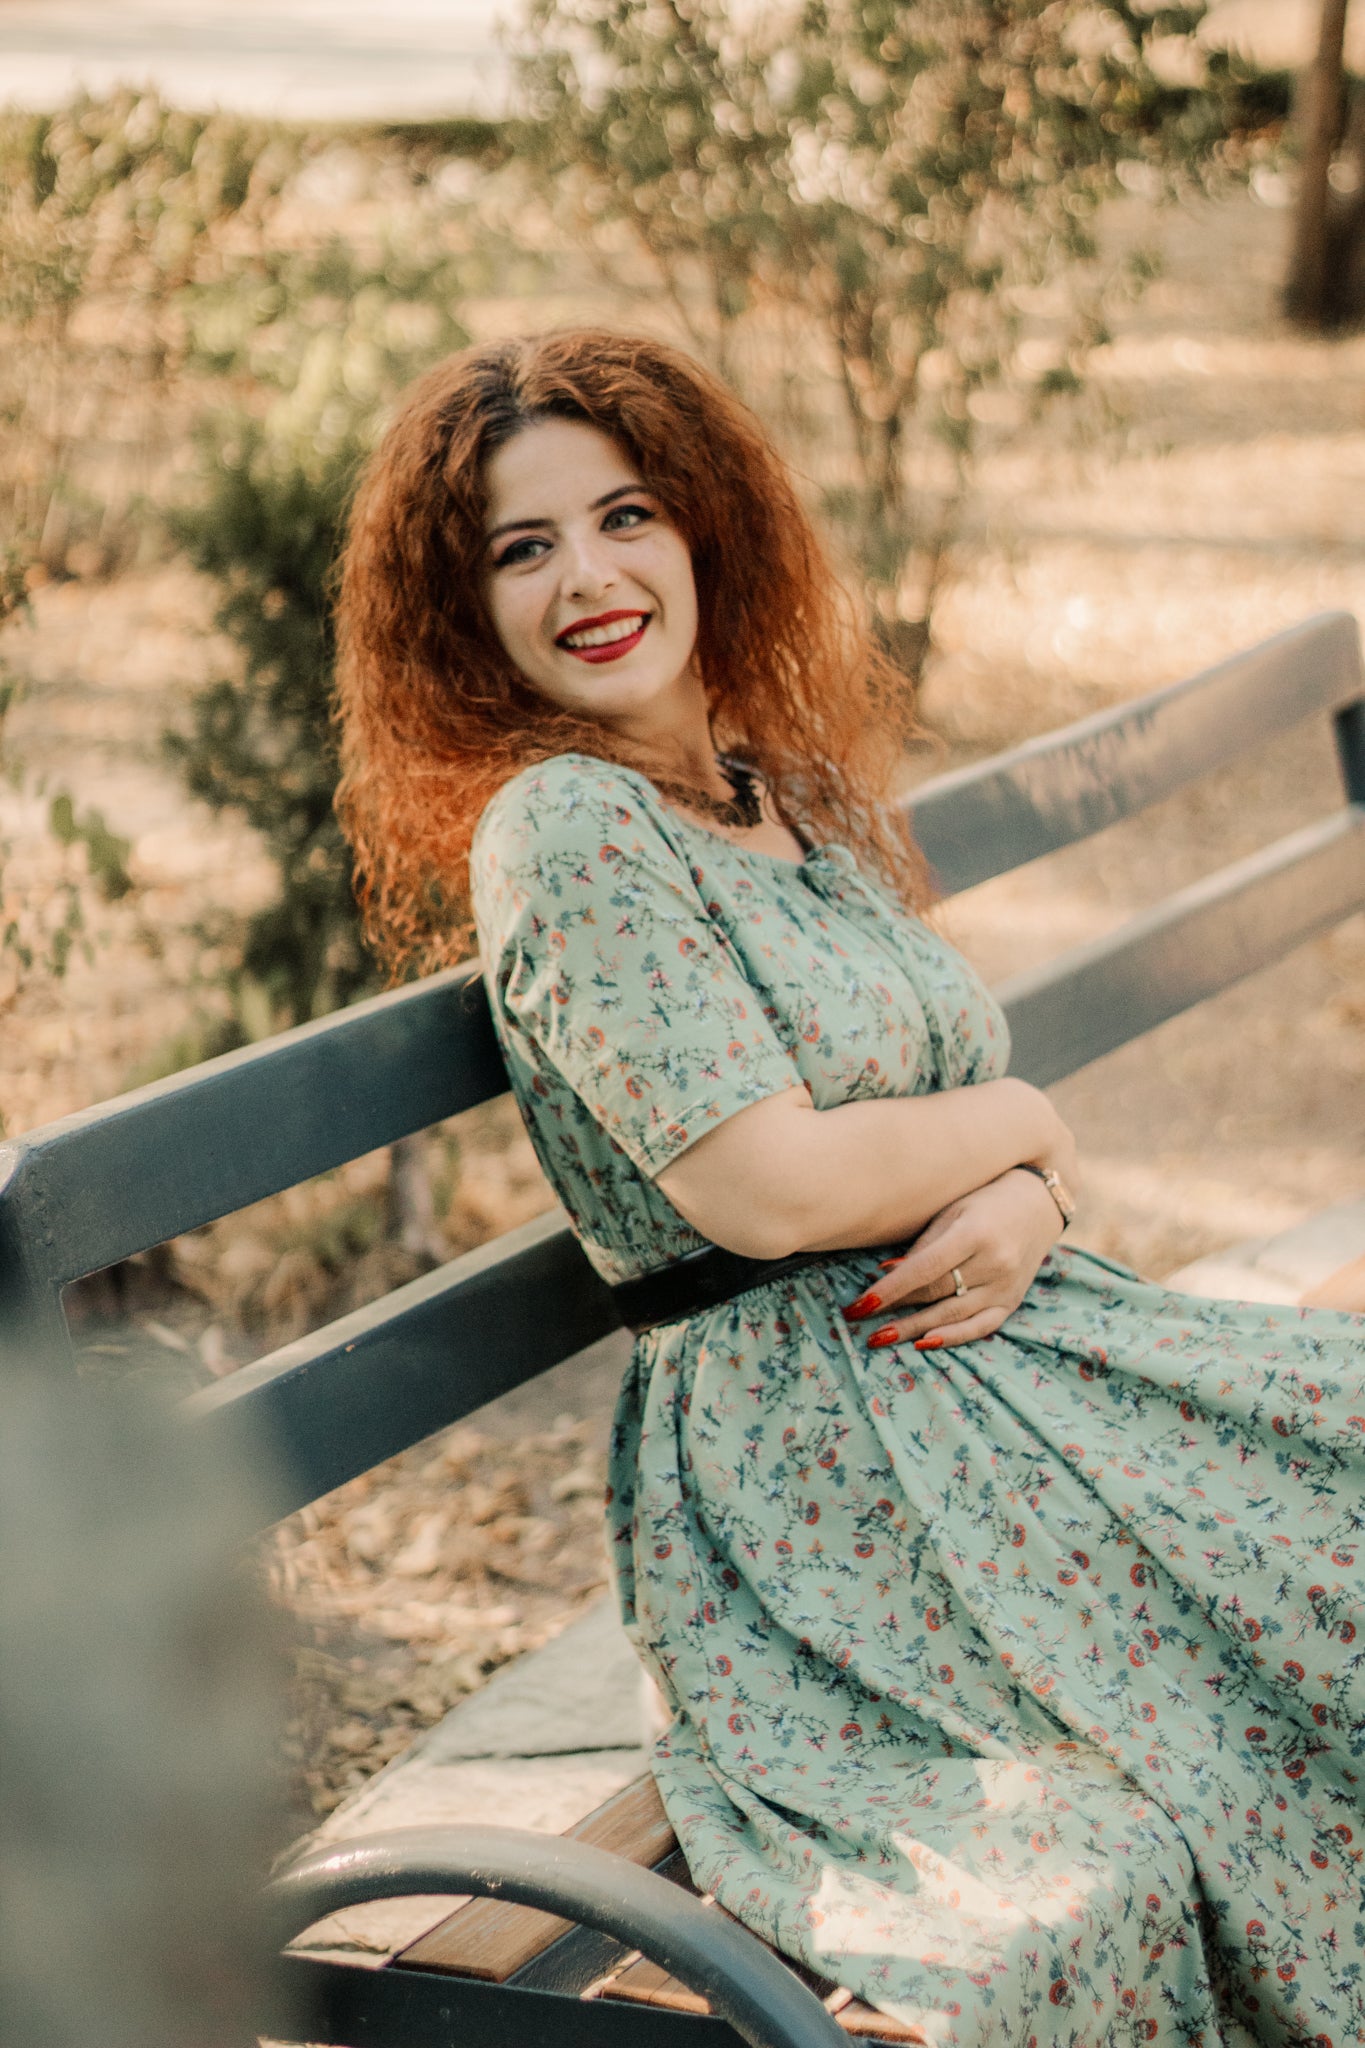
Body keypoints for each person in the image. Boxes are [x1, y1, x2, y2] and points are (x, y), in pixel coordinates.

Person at [335, 328, 1365, 2048]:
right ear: (463, 606)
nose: (586, 576)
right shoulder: (568, 833)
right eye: (522, 550)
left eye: (624, 516)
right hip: (827, 1454)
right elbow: (766, 1185)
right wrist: (1028, 1123)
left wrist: (1031, 1186)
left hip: (1004, 1353)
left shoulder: (771, 782)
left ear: (701, 527)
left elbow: (949, 1109)